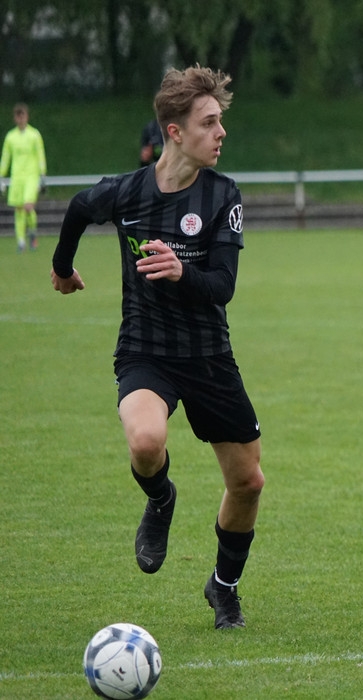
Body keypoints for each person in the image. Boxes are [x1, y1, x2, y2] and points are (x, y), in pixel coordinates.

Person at [50, 66, 264, 630]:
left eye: (220, 121)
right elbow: (78, 207)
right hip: (146, 351)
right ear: (175, 131)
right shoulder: (128, 191)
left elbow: (223, 286)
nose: (221, 132)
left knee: (248, 482)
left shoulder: (223, 195)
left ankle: (223, 588)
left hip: (209, 355)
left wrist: (180, 272)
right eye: (209, 122)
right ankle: (162, 498)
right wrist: (63, 268)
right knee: (146, 441)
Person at [1, 103, 47, 253]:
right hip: (17, 177)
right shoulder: (10, 137)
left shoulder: (34, 135)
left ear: (27, 117)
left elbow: (40, 154)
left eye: (23, 115)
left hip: (31, 176)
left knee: (28, 206)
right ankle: (21, 241)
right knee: (18, 209)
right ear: (15, 118)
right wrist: (1, 174)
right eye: (18, 116)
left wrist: (42, 173)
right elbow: (6, 157)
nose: (20, 119)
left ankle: (32, 232)